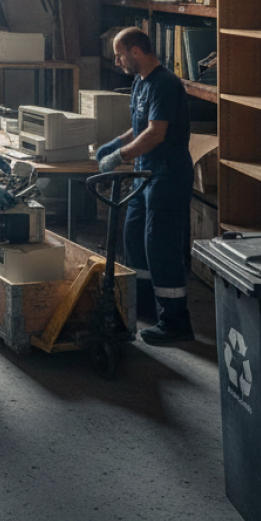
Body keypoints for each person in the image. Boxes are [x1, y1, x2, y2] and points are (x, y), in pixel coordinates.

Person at [96, 26, 194, 345]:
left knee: (160, 247)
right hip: (145, 173)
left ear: (136, 52)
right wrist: (116, 143)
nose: (118, 60)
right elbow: (139, 124)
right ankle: (147, 308)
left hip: (167, 174)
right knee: (134, 238)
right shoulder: (140, 82)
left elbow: (155, 133)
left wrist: (119, 156)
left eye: (120, 54)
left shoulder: (164, 83)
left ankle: (176, 322)